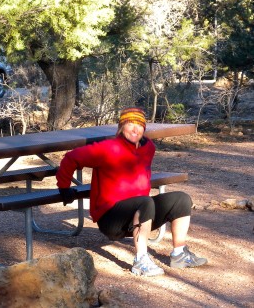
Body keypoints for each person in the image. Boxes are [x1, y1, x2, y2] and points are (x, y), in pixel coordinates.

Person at [56, 107, 207, 277]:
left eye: (140, 125)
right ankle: (141, 261)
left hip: (139, 214)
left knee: (181, 199)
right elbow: (71, 158)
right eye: (130, 124)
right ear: (121, 127)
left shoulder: (148, 147)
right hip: (111, 218)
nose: (135, 129)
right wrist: (64, 187)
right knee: (145, 201)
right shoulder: (107, 148)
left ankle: (179, 254)